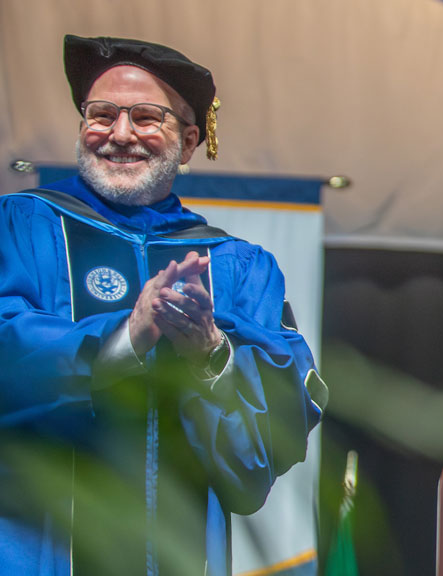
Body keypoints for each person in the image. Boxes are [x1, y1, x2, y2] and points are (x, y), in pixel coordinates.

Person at [0, 35, 327, 576]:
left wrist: (210, 355)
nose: (120, 133)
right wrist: (126, 337)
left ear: (190, 139)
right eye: (100, 114)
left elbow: (264, 449)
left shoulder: (236, 267)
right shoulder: (22, 228)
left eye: (147, 117)